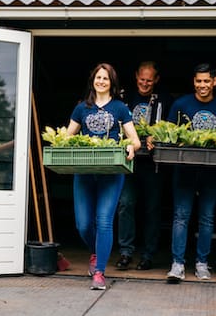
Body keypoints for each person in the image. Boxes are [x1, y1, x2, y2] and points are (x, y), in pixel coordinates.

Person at [66, 62, 141, 290]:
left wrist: (131, 148)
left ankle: (99, 272)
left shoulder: (120, 108)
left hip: (111, 173)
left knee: (104, 221)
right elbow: (67, 137)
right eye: (98, 77)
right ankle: (96, 252)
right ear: (93, 81)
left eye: (105, 78)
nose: (101, 81)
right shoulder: (81, 108)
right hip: (85, 172)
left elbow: (135, 140)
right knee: (83, 224)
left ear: (112, 83)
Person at [165, 63, 216, 281]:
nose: (202, 85)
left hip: (210, 170)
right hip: (184, 169)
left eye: (206, 81)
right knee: (181, 216)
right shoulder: (181, 104)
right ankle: (177, 265)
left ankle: (202, 264)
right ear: (193, 82)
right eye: (198, 81)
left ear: (215, 82)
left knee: (207, 218)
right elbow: (168, 134)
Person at [115, 61, 173, 271]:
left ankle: (148, 255)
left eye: (149, 80)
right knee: (126, 204)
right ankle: (125, 252)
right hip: (129, 161)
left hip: (154, 164)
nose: (145, 84)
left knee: (152, 209)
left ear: (156, 80)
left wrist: (157, 136)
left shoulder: (165, 99)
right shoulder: (124, 96)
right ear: (136, 76)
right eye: (142, 79)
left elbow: (172, 128)